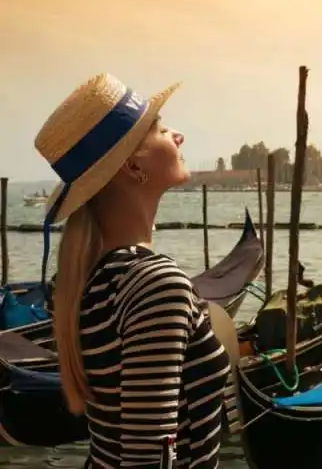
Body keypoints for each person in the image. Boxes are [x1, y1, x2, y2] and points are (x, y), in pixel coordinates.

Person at [34, 74, 229, 468]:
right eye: (159, 127)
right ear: (132, 165)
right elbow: (146, 458)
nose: (178, 136)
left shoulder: (90, 280)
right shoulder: (155, 285)